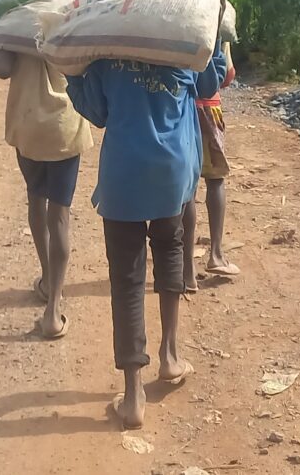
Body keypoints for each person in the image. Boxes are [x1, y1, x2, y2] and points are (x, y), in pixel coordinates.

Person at [65, 40, 228, 430]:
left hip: (124, 174)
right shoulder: (182, 48)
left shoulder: (108, 56)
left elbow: (97, 112)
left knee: (126, 280)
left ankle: (134, 393)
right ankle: (170, 355)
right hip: (171, 174)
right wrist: (217, 37)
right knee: (170, 252)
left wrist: (73, 75)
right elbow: (209, 84)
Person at [0, 49, 93, 339]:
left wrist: (10, 47)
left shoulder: (18, 36)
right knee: (59, 215)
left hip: (29, 127)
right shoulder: (67, 36)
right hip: (64, 128)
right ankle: (53, 309)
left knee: (36, 199)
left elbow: (0, 69)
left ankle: (47, 278)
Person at [182, 41, 240, 292]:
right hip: (210, 110)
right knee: (215, 181)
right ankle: (216, 253)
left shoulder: (177, 24)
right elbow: (226, 76)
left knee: (188, 191)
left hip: (183, 110)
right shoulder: (212, 26)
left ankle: (186, 271)